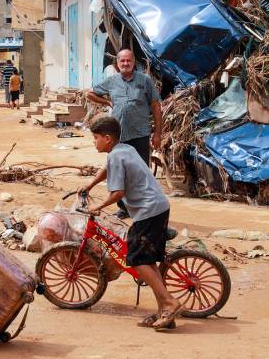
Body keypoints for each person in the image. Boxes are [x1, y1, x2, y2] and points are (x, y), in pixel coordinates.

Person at [79, 116, 182, 330]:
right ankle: (163, 311)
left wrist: (97, 207)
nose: (94, 142)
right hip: (158, 207)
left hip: (149, 211)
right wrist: (89, 185)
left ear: (107, 139)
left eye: (96, 138)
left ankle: (170, 302)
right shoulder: (123, 149)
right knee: (148, 261)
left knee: (135, 259)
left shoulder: (117, 157)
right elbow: (107, 169)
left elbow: (118, 193)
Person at [87, 49, 162, 219]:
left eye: (129, 61)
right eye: (122, 61)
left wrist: (157, 133)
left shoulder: (145, 80)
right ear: (118, 64)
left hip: (140, 134)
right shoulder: (111, 81)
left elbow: (156, 107)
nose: (126, 64)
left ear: (134, 62)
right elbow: (90, 93)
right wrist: (107, 101)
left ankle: (144, 207)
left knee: (140, 172)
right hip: (118, 137)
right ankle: (124, 208)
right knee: (117, 172)